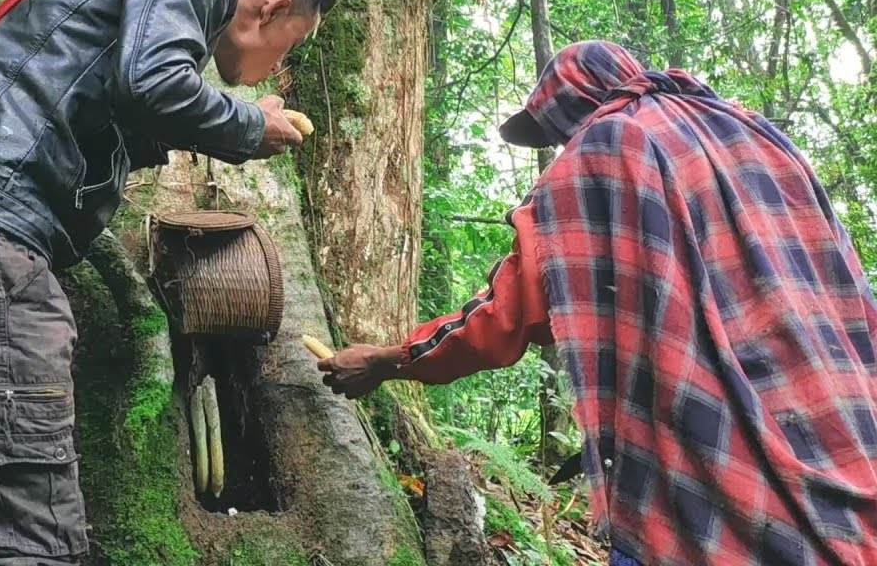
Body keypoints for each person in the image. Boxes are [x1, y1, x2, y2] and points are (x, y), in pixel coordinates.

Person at [0, 0, 336, 564]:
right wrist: (252, 123)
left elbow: (111, 101)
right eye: (292, 46)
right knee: (28, 542)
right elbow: (149, 83)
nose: (279, 66)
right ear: (272, 9)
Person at [318, 41, 877, 566]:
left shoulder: (602, 154)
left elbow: (507, 313)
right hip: (851, 440)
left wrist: (390, 359)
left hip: (710, 474)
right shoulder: (754, 134)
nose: (562, 146)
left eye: (557, 132)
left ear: (570, 111)